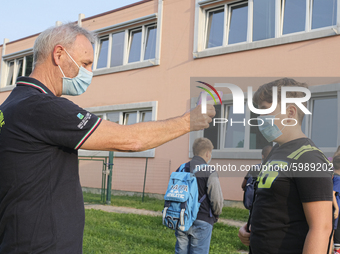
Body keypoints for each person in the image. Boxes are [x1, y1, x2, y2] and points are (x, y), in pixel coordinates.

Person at [0, 23, 215, 253]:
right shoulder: (41, 107)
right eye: (85, 64)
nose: (89, 73)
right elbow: (131, 140)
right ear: (59, 54)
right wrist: (187, 122)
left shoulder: (11, 106)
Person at [238, 78, 333, 254]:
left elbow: (322, 229)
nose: (259, 118)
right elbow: (274, 204)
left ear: (290, 112)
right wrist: (250, 228)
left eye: (265, 110)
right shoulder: (276, 152)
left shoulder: (309, 158)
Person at [175, 138, 223, 254]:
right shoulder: (209, 171)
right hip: (202, 219)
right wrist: (216, 213)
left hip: (181, 218)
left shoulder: (181, 168)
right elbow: (216, 199)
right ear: (208, 153)